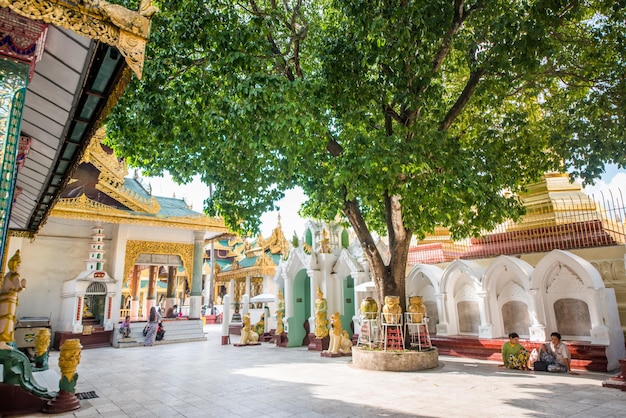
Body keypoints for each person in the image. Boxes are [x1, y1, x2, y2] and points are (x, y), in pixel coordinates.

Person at [0, 250, 27, 349]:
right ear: (15, 265)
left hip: (5, 300)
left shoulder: (8, 275)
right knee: (7, 320)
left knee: (4, 319)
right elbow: (18, 288)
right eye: (19, 265)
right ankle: (1, 342)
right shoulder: (14, 276)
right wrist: (24, 285)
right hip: (9, 301)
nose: (19, 267)